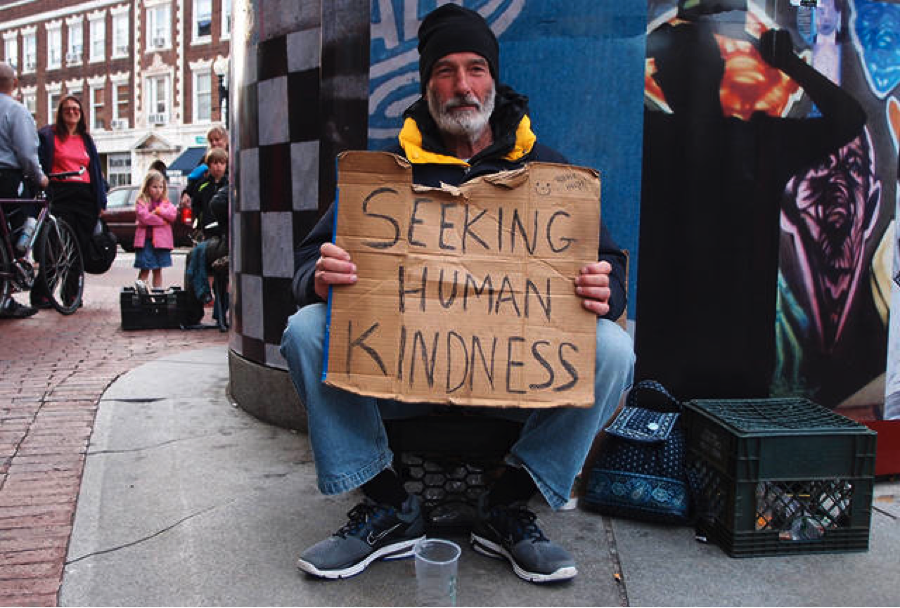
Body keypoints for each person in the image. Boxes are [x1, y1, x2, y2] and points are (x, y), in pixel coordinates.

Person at [279, 5, 634, 584]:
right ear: (426, 84)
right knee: (305, 329)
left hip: (516, 376)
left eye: (475, 68)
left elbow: (610, 262)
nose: (462, 86)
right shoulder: (387, 174)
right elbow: (304, 264)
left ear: (493, 79)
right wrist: (317, 276)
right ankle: (389, 503)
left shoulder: (548, 170)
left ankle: (509, 503)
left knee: (615, 349)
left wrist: (607, 288)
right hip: (401, 371)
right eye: (445, 71)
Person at [36, 95, 107, 308]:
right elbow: (40, 162)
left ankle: (72, 294)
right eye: (67, 109)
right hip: (60, 193)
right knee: (56, 246)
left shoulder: (86, 139)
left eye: (76, 109)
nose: (72, 112)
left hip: (85, 196)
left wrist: (101, 201)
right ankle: (42, 293)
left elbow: (95, 169)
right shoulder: (49, 135)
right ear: (60, 113)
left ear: (81, 113)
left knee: (79, 246)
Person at [0, 61, 48, 318]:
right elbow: (27, 153)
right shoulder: (16, 111)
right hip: (7, 177)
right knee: (16, 232)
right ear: (15, 84)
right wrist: (39, 178)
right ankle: (7, 295)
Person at [184, 147, 228, 311]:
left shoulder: (229, 184)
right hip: (207, 233)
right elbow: (196, 208)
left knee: (200, 258)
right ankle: (200, 298)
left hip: (223, 235)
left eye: (221, 163)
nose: (218, 167)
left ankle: (219, 307)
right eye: (214, 163)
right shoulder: (202, 186)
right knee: (199, 257)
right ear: (208, 166)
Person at [133, 169, 176, 289]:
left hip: (161, 243)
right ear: (147, 187)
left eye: (160, 187)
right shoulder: (141, 201)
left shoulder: (165, 203)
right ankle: (141, 293)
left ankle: (158, 293)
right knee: (145, 269)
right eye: (154, 187)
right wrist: (163, 221)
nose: (158, 190)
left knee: (158, 269)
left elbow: (172, 214)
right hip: (145, 242)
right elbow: (144, 217)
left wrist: (158, 211)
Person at [180, 125, 227, 209]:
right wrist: (186, 193)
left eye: (217, 139)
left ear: (225, 140)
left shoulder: (233, 158)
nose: (214, 143)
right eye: (211, 140)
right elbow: (194, 177)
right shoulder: (205, 159)